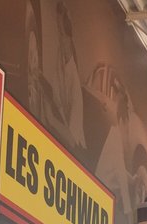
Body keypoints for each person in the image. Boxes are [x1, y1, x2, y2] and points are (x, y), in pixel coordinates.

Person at [54, 1, 86, 151]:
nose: (60, 39)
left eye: (61, 34)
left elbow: (72, 140)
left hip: (75, 152)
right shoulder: (60, 61)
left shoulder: (75, 89)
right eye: (58, 31)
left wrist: (51, 120)